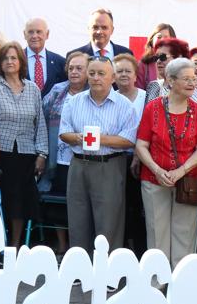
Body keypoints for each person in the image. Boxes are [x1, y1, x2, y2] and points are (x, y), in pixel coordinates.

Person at [59, 56, 139, 252]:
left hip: (109, 165)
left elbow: (129, 140)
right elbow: (63, 133)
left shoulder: (124, 105)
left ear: (112, 78)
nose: (96, 78)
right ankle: (80, 270)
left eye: (101, 74)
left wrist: (99, 138)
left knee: (109, 222)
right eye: (92, 73)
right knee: (78, 220)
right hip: (79, 165)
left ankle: (108, 274)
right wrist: (79, 138)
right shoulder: (74, 102)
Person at [135, 58, 197, 267]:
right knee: (157, 234)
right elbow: (141, 145)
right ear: (170, 80)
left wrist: (181, 171)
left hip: (188, 182)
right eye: (186, 79)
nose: (191, 83)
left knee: (184, 235)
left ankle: (180, 284)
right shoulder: (153, 108)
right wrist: (157, 170)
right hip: (153, 179)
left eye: (193, 79)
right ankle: (156, 284)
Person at [0, 41, 48, 245]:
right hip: (1, 153)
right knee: (3, 199)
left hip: (27, 153)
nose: (10, 61)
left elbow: (40, 123)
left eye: (14, 57)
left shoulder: (33, 89)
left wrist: (42, 154)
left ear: (20, 61)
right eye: (5, 58)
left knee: (21, 201)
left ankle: (16, 245)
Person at [114, 53, 148, 254]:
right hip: (116, 160)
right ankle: (121, 252)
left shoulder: (147, 97)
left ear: (136, 75)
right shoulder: (111, 98)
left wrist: (138, 154)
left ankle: (141, 253)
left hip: (143, 161)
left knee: (139, 209)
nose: (124, 75)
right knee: (119, 210)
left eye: (128, 71)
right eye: (119, 71)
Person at [44, 51, 90, 186]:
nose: (74, 71)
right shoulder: (57, 90)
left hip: (84, 159)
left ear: (89, 71)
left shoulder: (94, 93)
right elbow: (41, 119)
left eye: (79, 68)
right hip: (56, 157)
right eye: (71, 68)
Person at [144, 38, 197, 109]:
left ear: (179, 58)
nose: (158, 61)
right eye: (156, 57)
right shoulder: (153, 86)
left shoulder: (191, 88)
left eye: (162, 57)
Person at [24, 17, 66, 95]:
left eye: (39, 32)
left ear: (47, 34)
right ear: (25, 35)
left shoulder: (60, 62)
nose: (34, 36)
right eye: (30, 32)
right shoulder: (16, 60)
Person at [136, 23, 176, 90]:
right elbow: (139, 92)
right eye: (159, 37)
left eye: (166, 37)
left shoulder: (179, 63)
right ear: (152, 40)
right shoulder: (143, 64)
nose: (162, 40)